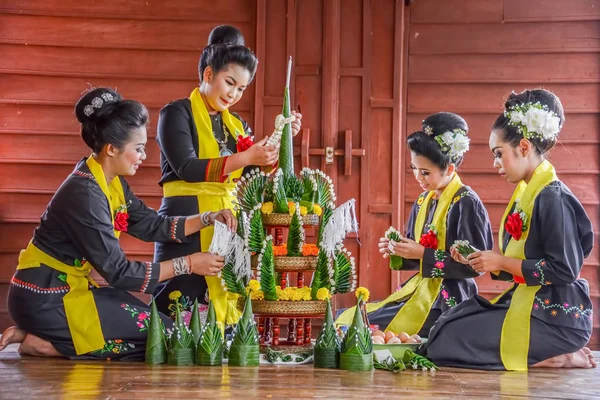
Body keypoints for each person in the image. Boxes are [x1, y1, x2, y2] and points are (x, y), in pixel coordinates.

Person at [0, 87, 234, 360]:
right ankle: (46, 343)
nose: (143, 157)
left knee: (168, 331)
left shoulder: (108, 182)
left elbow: (151, 225)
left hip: (68, 291)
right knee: (172, 338)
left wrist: (207, 218)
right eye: (138, 149)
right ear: (112, 149)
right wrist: (190, 264)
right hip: (44, 299)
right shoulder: (84, 194)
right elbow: (119, 273)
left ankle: (41, 337)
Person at [420, 89, 596, 370]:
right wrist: (482, 259)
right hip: (532, 305)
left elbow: (564, 270)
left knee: (445, 339)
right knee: (446, 324)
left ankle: (556, 355)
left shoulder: (552, 197)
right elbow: (523, 261)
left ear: (524, 148)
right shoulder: (528, 193)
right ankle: (543, 354)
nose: (495, 164)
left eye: (499, 154)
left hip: (555, 316)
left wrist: (500, 261)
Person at [153, 27, 302, 324]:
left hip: (228, 218)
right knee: (178, 300)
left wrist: (280, 138)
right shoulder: (176, 113)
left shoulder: (237, 125)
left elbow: (249, 171)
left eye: (241, 89)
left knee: (227, 294)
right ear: (208, 74)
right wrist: (247, 156)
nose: (233, 95)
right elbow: (187, 167)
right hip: (186, 218)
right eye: (229, 83)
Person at [336, 112, 493, 337]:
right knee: (346, 316)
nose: (418, 177)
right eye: (414, 169)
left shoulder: (466, 202)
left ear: (449, 168)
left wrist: (422, 253)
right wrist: (398, 250)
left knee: (358, 325)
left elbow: (474, 266)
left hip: (450, 301)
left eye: (425, 172)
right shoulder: (423, 200)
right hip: (420, 291)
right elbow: (416, 255)